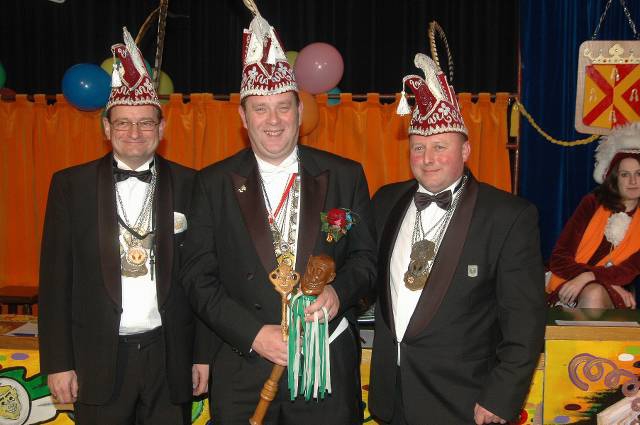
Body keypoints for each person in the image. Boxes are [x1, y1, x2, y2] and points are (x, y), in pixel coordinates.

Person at [179, 2, 376, 424]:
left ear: (300, 111)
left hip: (325, 369)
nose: (273, 120)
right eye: (260, 108)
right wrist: (254, 334)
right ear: (242, 115)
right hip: (244, 367)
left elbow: (365, 260)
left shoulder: (346, 175)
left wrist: (338, 294)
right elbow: (197, 277)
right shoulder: (212, 183)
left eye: (284, 107)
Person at [38, 27, 211, 425]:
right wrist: (59, 363)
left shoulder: (192, 184)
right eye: (123, 123)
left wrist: (201, 354)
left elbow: (203, 276)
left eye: (146, 123)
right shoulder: (70, 186)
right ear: (106, 128)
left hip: (170, 356)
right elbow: (55, 281)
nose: (135, 133)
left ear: (162, 129)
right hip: (96, 357)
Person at [367, 53, 546, 425]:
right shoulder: (385, 201)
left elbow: (524, 319)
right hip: (391, 394)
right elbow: (365, 271)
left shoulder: (508, 216)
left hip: (463, 400)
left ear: (465, 150)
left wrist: (502, 396)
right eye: (418, 147)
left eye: (440, 147)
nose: (427, 158)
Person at [547, 123, 640, 309]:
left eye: (639, 174)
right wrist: (590, 278)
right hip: (568, 282)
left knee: (594, 293)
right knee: (594, 292)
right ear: (614, 178)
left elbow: (629, 270)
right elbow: (559, 259)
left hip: (610, 289)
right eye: (625, 174)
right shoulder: (592, 203)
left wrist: (590, 277)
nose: (633, 181)